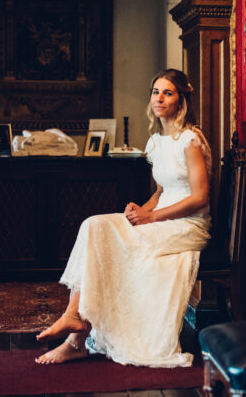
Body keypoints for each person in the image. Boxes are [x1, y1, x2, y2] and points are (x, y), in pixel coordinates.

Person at [35, 68, 212, 367]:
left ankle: (75, 335)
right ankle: (73, 319)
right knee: (94, 225)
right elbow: (162, 190)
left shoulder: (190, 140)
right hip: (159, 217)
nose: (159, 98)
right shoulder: (156, 141)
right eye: (156, 92)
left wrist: (152, 217)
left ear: (181, 99)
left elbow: (199, 198)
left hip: (187, 225)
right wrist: (141, 210)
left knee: (112, 247)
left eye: (168, 92)